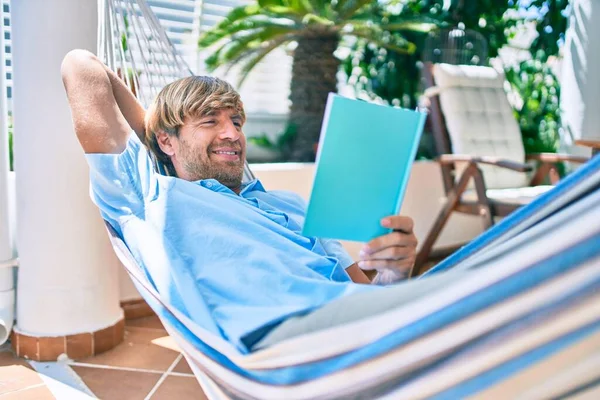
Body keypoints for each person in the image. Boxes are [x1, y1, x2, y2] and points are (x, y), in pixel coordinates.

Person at [61, 49, 422, 352]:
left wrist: (394, 271)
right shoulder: (149, 198)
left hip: (368, 335)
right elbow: (80, 65)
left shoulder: (291, 205)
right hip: (293, 352)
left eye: (236, 121)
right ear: (166, 141)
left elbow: (369, 297)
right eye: (210, 121)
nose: (232, 134)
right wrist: (159, 139)